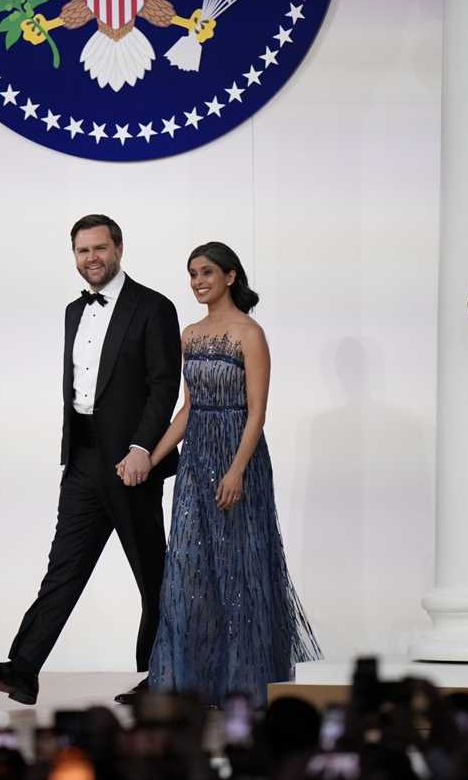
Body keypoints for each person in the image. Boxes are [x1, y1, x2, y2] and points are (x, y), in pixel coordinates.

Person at [0, 215, 182, 706]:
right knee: (64, 567)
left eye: (99, 248)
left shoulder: (154, 307)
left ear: (118, 248)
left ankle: (164, 677)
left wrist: (143, 448)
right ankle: (23, 669)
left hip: (132, 460)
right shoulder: (72, 313)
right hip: (81, 458)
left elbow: (164, 385)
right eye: (82, 251)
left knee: (152, 574)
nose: (91, 258)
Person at [144, 242, 320, 707]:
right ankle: (191, 687)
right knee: (187, 572)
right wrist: (152, 455)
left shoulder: (249, 334)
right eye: (192, 274)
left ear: (230, 276)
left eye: (206, 272)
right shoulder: (189, 334)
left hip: (238, 460)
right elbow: (187, 409)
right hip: (195, 465)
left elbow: (257, 413)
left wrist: (237, 470)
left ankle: (242, 687)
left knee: (241, 572)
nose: (198, 281)